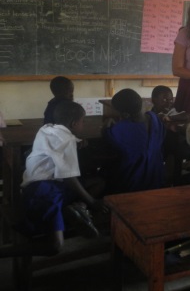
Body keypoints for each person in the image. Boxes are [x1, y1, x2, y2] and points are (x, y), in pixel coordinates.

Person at [0, 101, 108, 258]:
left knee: (98, 182)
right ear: (73, 123)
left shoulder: (46, 129)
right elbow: (69, 177)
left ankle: (76, 208)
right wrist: (93, 202)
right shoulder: (67, 141)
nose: (83, 124)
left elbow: (57, 145)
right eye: (82, 121)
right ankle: (3, 253)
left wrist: (76, 141)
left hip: (38, 188)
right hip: (45, 193)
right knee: (55, 246)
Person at [100, 89, 166, 194]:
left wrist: (106, 126)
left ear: (125, 114)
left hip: (132, 184)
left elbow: (107, 135)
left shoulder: (119, 129)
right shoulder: (154, 119)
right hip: (156, 179)